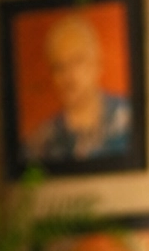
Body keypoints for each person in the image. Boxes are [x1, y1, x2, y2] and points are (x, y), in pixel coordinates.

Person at [25, 14, 132, 167]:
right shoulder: (39, 143)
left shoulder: (129, 118)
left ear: (97, 64)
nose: (68, 76)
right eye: (59, 67)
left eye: (76, 62)